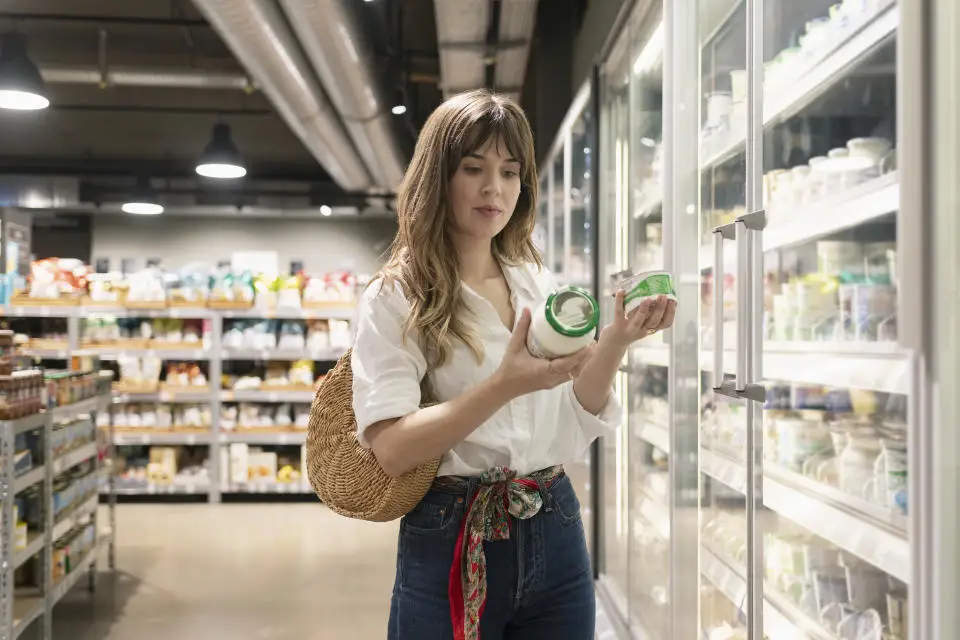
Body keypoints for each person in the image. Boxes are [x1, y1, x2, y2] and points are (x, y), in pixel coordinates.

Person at [351, 89, 676, 640]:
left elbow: (576, 412)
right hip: (453, 530)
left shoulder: (535, 282)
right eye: (473, 168)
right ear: (437, 178)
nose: (492, 188)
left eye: (508, 171)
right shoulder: (398, 296)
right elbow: (391, 448)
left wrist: (617, 341)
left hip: (554, 520)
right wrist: (503, 385)